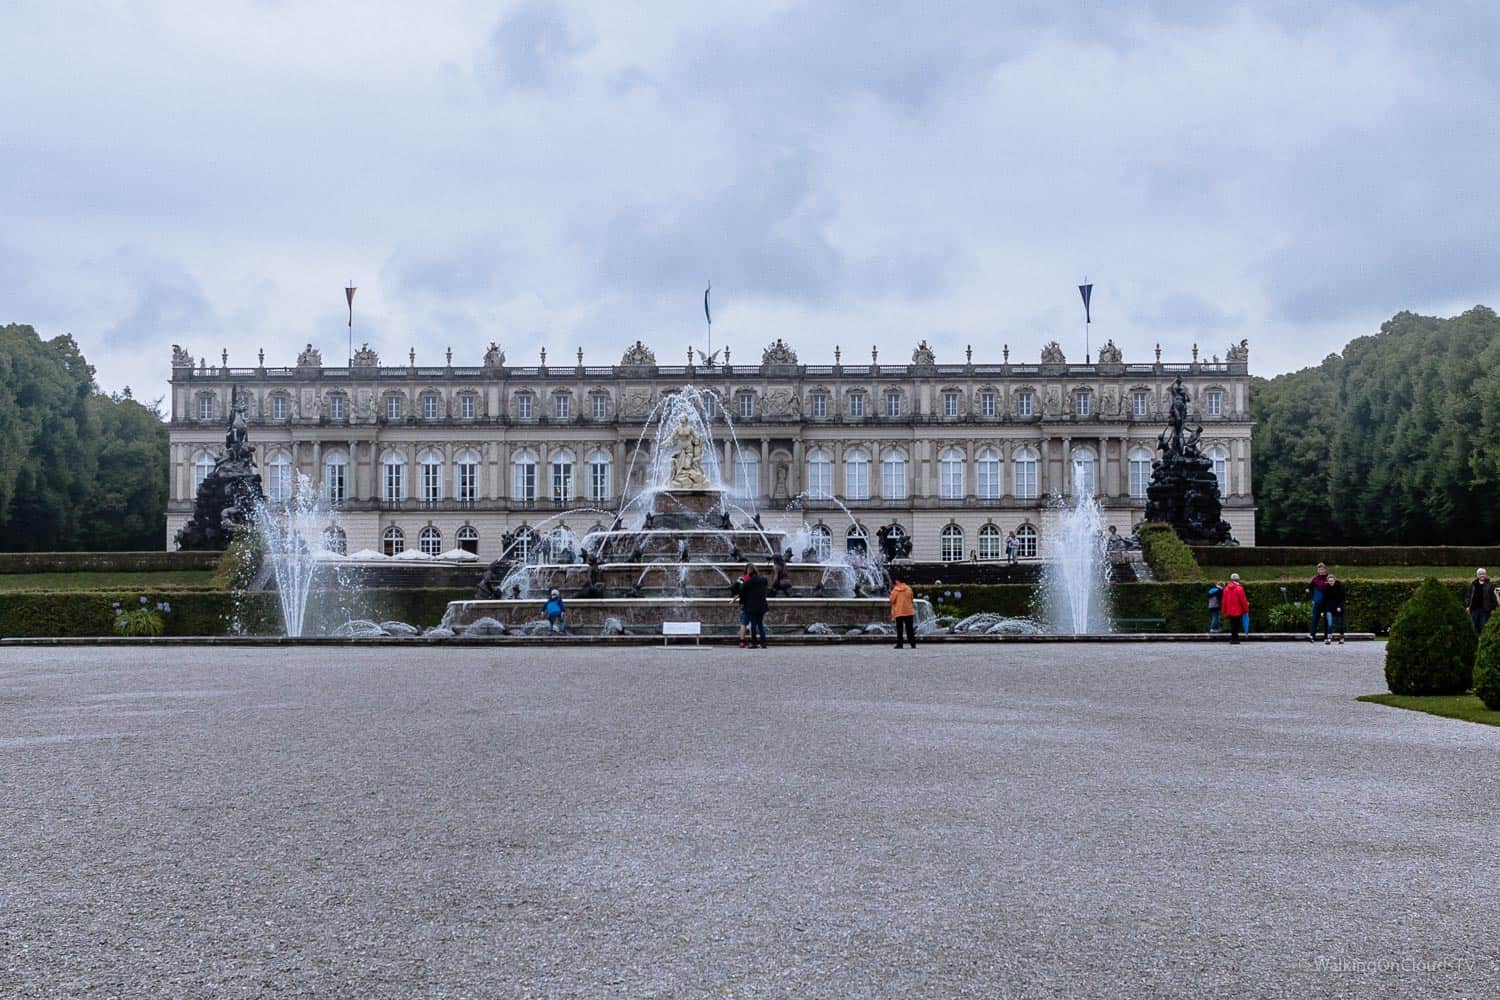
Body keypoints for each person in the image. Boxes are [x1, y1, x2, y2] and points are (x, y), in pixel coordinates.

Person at [739, 564, 770, 649]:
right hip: (762, 605)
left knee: (753, 625)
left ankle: (754, 643)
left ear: (749, 572)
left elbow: (741, 591)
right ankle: (763, 643)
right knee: (760, 625)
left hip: (752, 606)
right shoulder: (763, 580)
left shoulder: (748, 582)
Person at [1465, 568, 1497, 633]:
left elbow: (1493, 597)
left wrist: (1493, 608)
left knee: (1483, 626)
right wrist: (1468, 606)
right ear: (1477, 575)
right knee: (1473, 626)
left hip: (1485, 609)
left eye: (1483, 574)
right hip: (1474, 609)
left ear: (1485, 575)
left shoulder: (1490, 585)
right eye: (1480, 574)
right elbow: (1468, 596)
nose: (1482, 575)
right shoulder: (1473, 584)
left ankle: (1482, 640)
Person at [889, 573, 917, 649]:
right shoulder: (909, 588)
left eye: (896, 581)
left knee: (899, 629)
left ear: (898, 581)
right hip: (909, 611)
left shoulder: (895, 590)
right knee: (910, 628)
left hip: (899, 612)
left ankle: (900, 644)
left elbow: (892, 600)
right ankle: (913, 644)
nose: (895, 582)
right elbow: (911, 599)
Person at [1305, 562, 1331, 641]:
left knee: (1327, 619)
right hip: (1317, 602)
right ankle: (1312, 635)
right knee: (1315, 619)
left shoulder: (1329, 578)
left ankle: (1327, 636)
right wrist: (1312, 598)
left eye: (1322, 569)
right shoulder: (1315, 579)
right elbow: (1309, 589)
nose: (1321, 571)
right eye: (1319, 569)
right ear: (1317, 570)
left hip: (1327, 603)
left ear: (1325, 569)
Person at [1221, 573, 1249, 644]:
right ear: (1238, 579)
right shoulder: (1239, 588)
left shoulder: (1226, 588)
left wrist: (1224, 610)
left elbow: (1224, 601)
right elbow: (1243, 600)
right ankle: (1235, 639)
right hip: (1237, 610)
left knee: (1232, 624)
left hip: (1229, 610)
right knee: (1236, 625)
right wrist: (1246, 609)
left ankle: (1233, 638)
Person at [730, 565, 753, 648]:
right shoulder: (753, 579)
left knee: (743, 623)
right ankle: (752, 641)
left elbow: (733, 587)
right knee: (752, 622)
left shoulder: (742, 578)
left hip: (743, 602)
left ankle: (742, 641)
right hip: (751, 602)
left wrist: (736, 595)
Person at [1323, 574, 1346, 645]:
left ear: (1334, 580)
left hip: (1338, 608)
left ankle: (1341, 638)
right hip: (1329, 608)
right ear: (1327, 581)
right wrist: (1322, 611)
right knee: (1329, 624)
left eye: (1332, 581)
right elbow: (1324, 600)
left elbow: (1343, 599)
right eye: (1329, 581)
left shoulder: (1339, 587)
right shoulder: (1326, 588)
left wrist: (1340, 606)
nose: (1331, 582)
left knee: (1340, 624)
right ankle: (1329, 638)